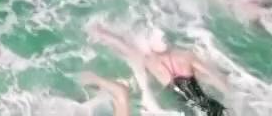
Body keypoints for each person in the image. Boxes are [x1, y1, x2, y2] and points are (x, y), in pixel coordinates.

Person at [91, 25, 231, 115]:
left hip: (189, 107)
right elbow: (212, 75)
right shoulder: (185, 55)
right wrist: (228, 90)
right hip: (207, 104)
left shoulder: (150, 62)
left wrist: (104, 34)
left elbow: (125, 47)